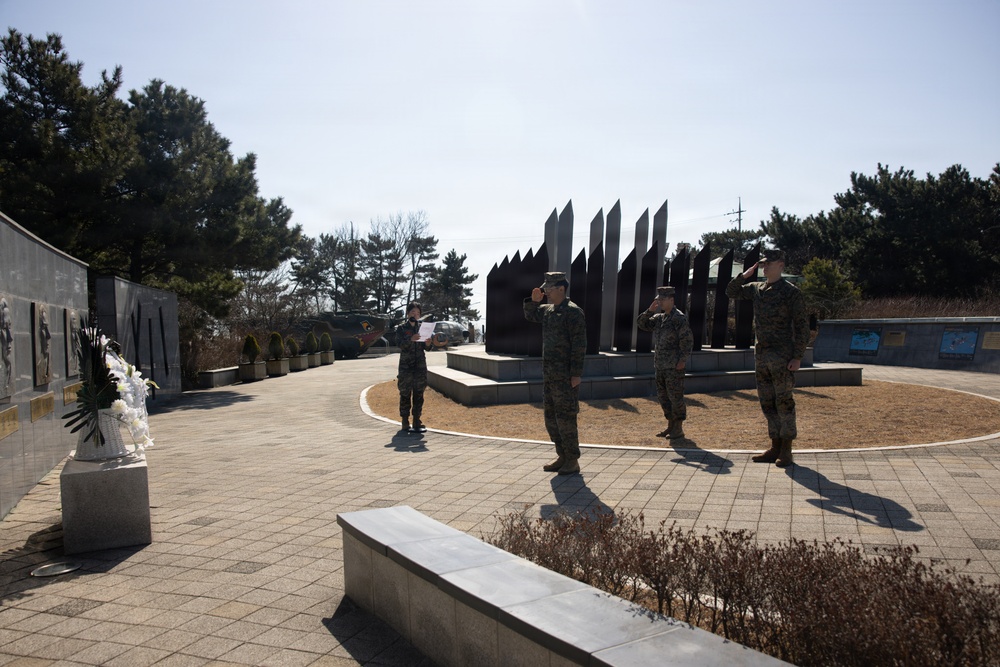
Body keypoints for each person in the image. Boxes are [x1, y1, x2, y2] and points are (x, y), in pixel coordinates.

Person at [726, 249, 810, 467]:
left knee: (784, 403)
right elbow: (731, 292)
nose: (764, 268)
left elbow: (802, 327)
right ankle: (774, 446)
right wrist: (744, 276)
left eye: (768, 264)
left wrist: (798, 356)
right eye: (763, 264)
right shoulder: (757, 289)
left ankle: (787, 450)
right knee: (767, 403)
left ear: (780, 265)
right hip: (762, 355)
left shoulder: (791, 292)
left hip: (783, 356)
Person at [524, 271, 587, 475]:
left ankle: (572, 459)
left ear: (561, 288)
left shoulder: (574, 312)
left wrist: (576, 374)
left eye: (549, 288)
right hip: (550, 375)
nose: (546, 292)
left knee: (566, 418)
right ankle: (562, 455)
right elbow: (531, 315)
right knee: (551, 418)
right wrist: (533, 302)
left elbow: (579, 345)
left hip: (566, 376)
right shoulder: (549, 310)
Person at [637, 286, 693, 439]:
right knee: (663, 397)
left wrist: (682, 360)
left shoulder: (678, 318)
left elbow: (687, 341)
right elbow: (641, 324)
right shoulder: (660, 318)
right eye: (658, 299)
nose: (660, 302)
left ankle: (678, 428)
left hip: (674, 366)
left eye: (662, 299)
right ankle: (670, 425)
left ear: (671, 300)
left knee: (675, 397)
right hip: (660, 365)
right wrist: (650, 310)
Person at [395, 302, 432, 434]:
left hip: (420, 366)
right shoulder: (401, 328)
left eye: (417, 313)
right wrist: (410, 339)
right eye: (413, 313)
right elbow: (399, 344)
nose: (415, 315)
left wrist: (428, 343)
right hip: (406, 367)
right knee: (405, 393)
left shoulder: (422, 328)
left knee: (419, 394)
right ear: (408, 313)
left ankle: (417, 420)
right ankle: (405, 421)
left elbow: (426, 348)